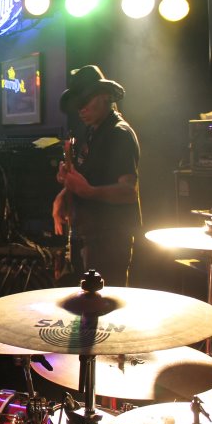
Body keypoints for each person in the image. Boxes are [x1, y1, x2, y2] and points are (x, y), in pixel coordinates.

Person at [52, 65, 141, 288]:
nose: (80, 109)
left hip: (110, 239)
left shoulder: (119, 133)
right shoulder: (93, 131)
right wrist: (66, 191)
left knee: (106, 305)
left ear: (105, 96)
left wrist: (88, 192)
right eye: (78, 104)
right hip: (89, 236)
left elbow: (128, 192)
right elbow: (89, 176)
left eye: (85, 101)